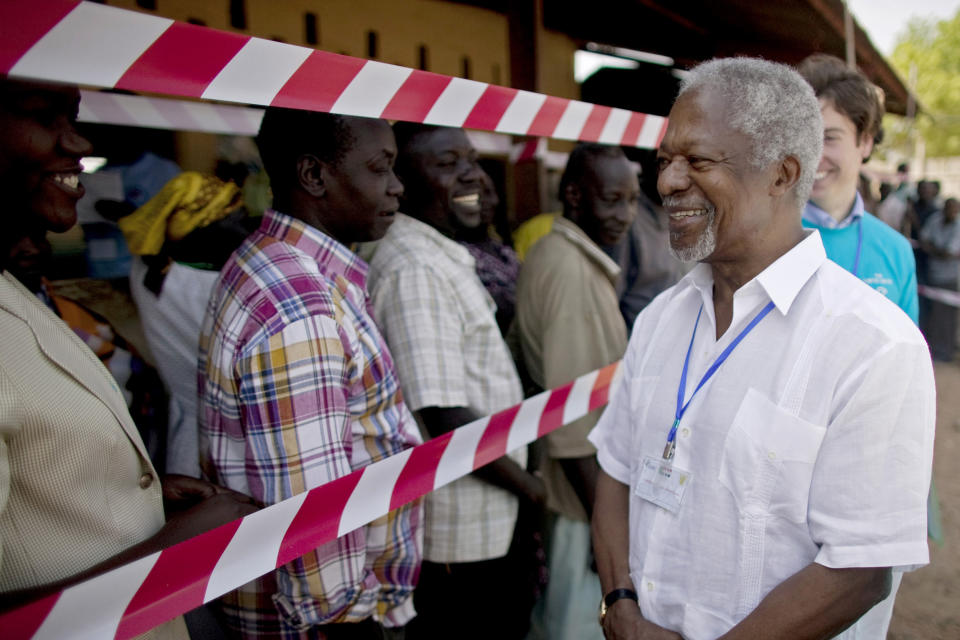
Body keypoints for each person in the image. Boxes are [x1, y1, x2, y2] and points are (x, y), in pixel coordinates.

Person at [590, 58, 935, 640]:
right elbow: (616, 472)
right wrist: (620, 606)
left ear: (782, 174)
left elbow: (861, 570)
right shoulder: (659, 321)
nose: (669, 182)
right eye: (666, 161)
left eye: (698, 161)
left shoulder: (875, 346)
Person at [0, 79, 257, 637]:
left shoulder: (20, 297)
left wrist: (122, 487)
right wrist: (168, 553)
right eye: (45, 114)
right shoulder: (206, 287)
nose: (80, 143)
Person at [198, 108, 423, 639]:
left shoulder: (273, 262)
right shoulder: (300, 302)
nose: (396, 187)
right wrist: (348, 624)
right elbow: (316, 512)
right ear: (314, 175)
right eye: (379, 167)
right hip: (329, 624)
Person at [363, 123, 545, 640]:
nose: (470, 174)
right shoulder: (416, 267)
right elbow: (444, 418)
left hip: (488, 517)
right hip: (463, 534)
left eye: (470, 158)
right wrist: (532, 491)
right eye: (446, 164)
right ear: (401, 181)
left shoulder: (441, 254)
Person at [514, 143, 637, 640]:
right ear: (573, 195)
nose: (624, 216)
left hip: (584, 499)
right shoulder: (568, 269)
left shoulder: (571, 257)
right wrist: (607, 530)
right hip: (581, 503)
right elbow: (574, 423)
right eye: (611, 200)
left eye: (631, 200)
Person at [121, 171, 252, 477]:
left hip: (183, 431)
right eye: (230, 216)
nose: (242, 224)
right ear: (202, 229)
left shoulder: (145, 271)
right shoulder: (214, 290)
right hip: (226, 441)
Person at [797, 54, 918, 324]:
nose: (813, 155)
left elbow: (906, 361)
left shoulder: (895, 251)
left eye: (829, 138)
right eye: (804, 137)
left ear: (864, 141)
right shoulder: (761, 238)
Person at [919, 197, 960, 360]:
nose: (952, 212)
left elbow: (947, 254)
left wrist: (932, 250)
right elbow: (924, 240)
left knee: (947, 317)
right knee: (932, 316)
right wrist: (936, 251)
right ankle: (933, 349)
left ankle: (946, 351)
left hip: (949, 277)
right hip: (932, 274)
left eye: (955, 209)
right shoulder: (935, 220)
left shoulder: (958, 226)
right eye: (949, 208)